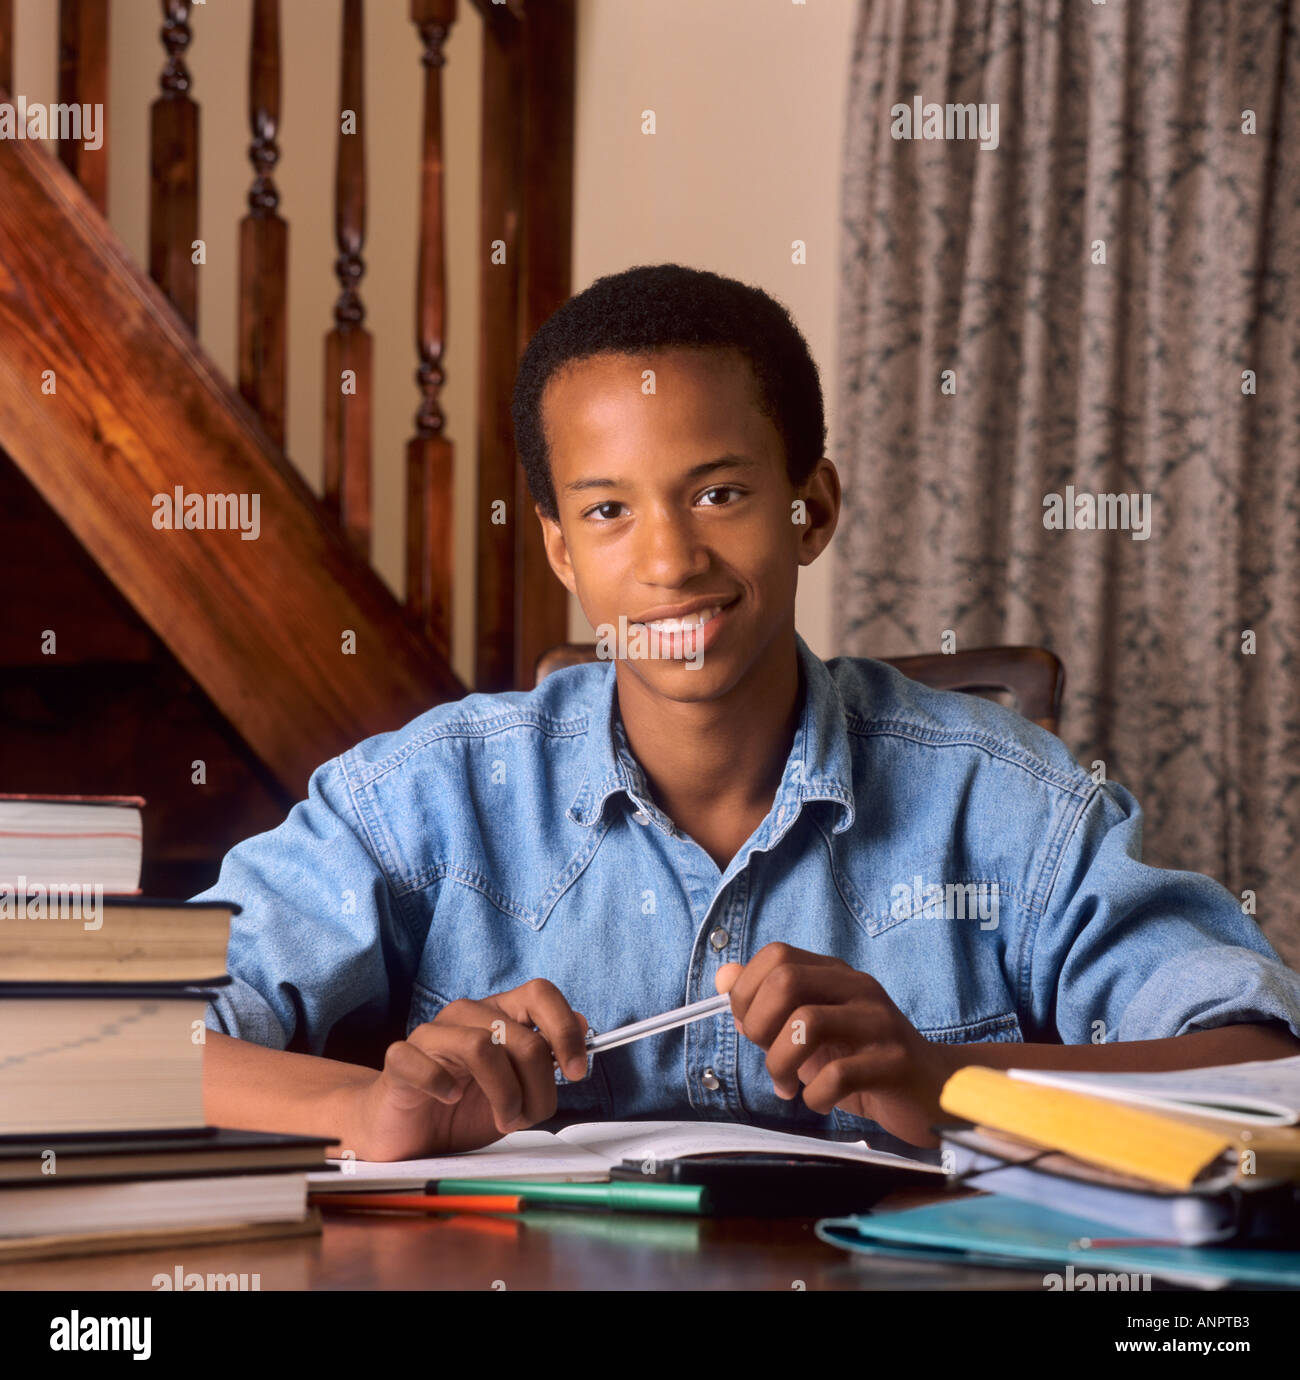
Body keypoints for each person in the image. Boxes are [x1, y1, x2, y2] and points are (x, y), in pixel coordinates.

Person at [197, 263, 1300, 1162]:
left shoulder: (1011, 806)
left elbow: (1264, 1074)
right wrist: (367, 1109)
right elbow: (112, 1051)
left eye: (718, 493)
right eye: (608, 511)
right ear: (560, 550)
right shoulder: (422, 799)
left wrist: (946, 1080)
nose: (671, 560)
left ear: (809, 508)